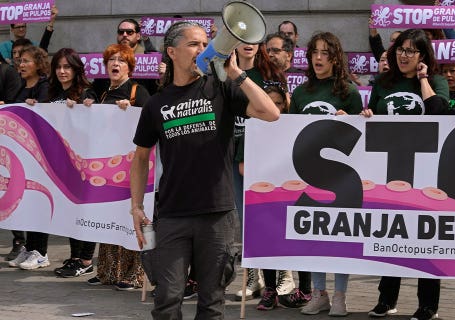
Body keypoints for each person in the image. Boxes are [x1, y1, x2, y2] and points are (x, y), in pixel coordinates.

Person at [129, 21, 279, 319]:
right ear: (172, 52)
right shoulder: (156, 104)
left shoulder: (221, 89)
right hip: (172, 214)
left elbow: (271, 112)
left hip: (218, 214)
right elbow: (140, 157)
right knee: (167, 298)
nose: (204, 49)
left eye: (205, 43)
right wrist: (136, 206)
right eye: (194, 44)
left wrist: (236, 73)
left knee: (212, 302)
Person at [362, 28, 449, 320]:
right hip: (391, 168)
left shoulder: (435, 81)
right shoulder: (384, 82)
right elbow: (373, 115)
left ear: (423, 56)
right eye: (400, 49)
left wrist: (423, 79)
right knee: (391, 232)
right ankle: (387, 299)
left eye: (411, 51)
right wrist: (368, 116)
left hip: (425, 169)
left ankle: (428, 304)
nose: (403, 55)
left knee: (425, 238)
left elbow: (437, 110)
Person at [285, 32, 363, 317]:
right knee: (313, 236)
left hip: (339, 176)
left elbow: (359, 138)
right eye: (314, 52)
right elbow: (289, 131)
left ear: (335, 58)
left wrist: (350, 121)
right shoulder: (302, 93)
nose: (318, 58)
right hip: (307, 173)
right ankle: (319, 293)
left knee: (339, 236)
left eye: (325, 53)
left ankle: (341, 295)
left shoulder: (348, 93)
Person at [233, 42, 295, 303]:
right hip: (234, 156)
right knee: (247, 220)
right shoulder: (224, 72)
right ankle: (251, 278)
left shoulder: (268, 75)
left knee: (271, 217)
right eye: (241, 37)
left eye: (253, 38)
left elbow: (284, 112)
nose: (247, 44)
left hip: (266, 157)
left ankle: (285, 275)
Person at [86, 43, 150, 290]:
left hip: (132, 165)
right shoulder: (102, 93)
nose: (115, 64)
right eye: (111, 60)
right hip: (109, 168)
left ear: (130, 67)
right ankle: (108, 271)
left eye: (121, 61)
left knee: (131, 216)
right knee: (110, 216)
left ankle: (135, 275)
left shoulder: (137, 91)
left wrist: (131, 109)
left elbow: (149, 118)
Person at [41, 47, 99, 277]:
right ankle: (75, 257)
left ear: (76, 70)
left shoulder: (86, 93)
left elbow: (94, 127)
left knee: (84, 212)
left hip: (83, 165)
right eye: (58, 67)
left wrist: (86, 109)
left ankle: (85, 259)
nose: (62, 71)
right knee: (69, 212)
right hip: (61, 165)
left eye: (67, 67)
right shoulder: (53, 96)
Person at [6, 45, 51, 270]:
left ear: (38, 64)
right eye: (19, 61)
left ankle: (40, 251)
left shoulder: (45, 88)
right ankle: (30, 247)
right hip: (24, 156)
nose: (20, 65)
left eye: (25, 61)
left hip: (40, 157)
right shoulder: (21, 88)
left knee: (39, 203)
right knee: (28, 202)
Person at [93, 19, 159, 98]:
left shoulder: (149, 60)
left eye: (129, 32)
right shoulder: (107, 57)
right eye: (121, 32)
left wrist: (161, 79)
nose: (124, 35)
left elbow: (156, 92)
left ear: (138, 36)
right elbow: (95, 90)